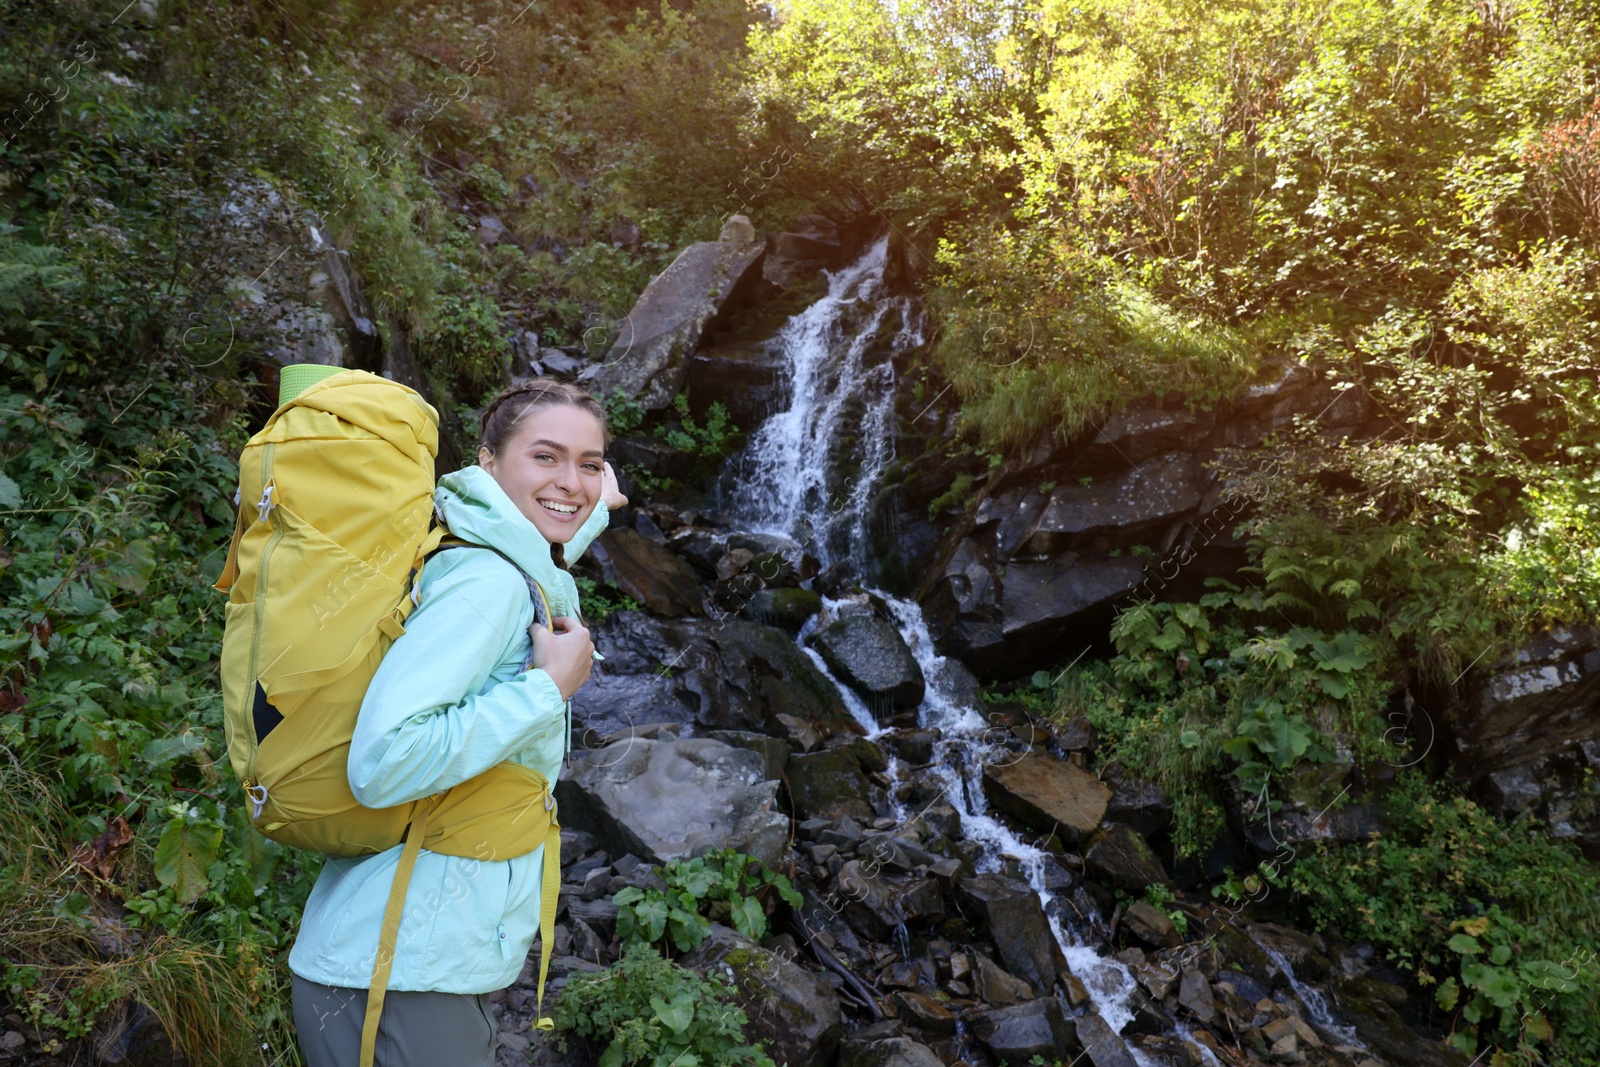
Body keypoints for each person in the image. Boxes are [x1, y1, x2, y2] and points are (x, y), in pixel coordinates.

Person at [288, 378, 626, 1067]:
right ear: (486, 461)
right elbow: (383, 759)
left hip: (409, 960)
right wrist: (545, 688)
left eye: (589, 463)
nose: (572, 481)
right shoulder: (487, 583)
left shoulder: (495, 547)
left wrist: (595, 505)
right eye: (546, 457)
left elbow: (544, 545)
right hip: (397, 972)